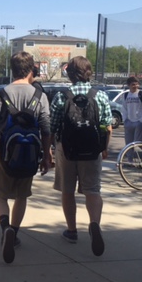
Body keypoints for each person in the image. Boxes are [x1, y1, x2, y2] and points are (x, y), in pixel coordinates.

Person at [0, 51, 52, 264]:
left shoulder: (0, 94)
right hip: (31, 154)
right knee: (22, 196)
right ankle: (14, 232)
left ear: (11, 69)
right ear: (31, 69)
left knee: (1, 194)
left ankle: (5, 228)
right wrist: (46, 156)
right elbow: (46, 129)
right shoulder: (39, 96)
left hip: (5, 153)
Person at [49, 56, 111, 257]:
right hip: (92, 150)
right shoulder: (99, 96)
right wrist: (104, 147)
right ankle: (94, 224)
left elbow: (53, 126)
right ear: (89, 72)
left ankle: (72, 231)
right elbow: (107, 126)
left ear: (70, 74)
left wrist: (51, 148)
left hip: (66, 150)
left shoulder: (62, 96)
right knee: (93, 189)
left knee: (67, 190)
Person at [121, 76, 142, 146]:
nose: (135, 86)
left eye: (137, 84)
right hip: (129, 122)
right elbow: (124, 108)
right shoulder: (125, 95)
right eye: (133, 84)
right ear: (128, 85)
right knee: (128, 143)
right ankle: (130, 157)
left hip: (139, 121)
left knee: (138, 142)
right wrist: (125, 120)